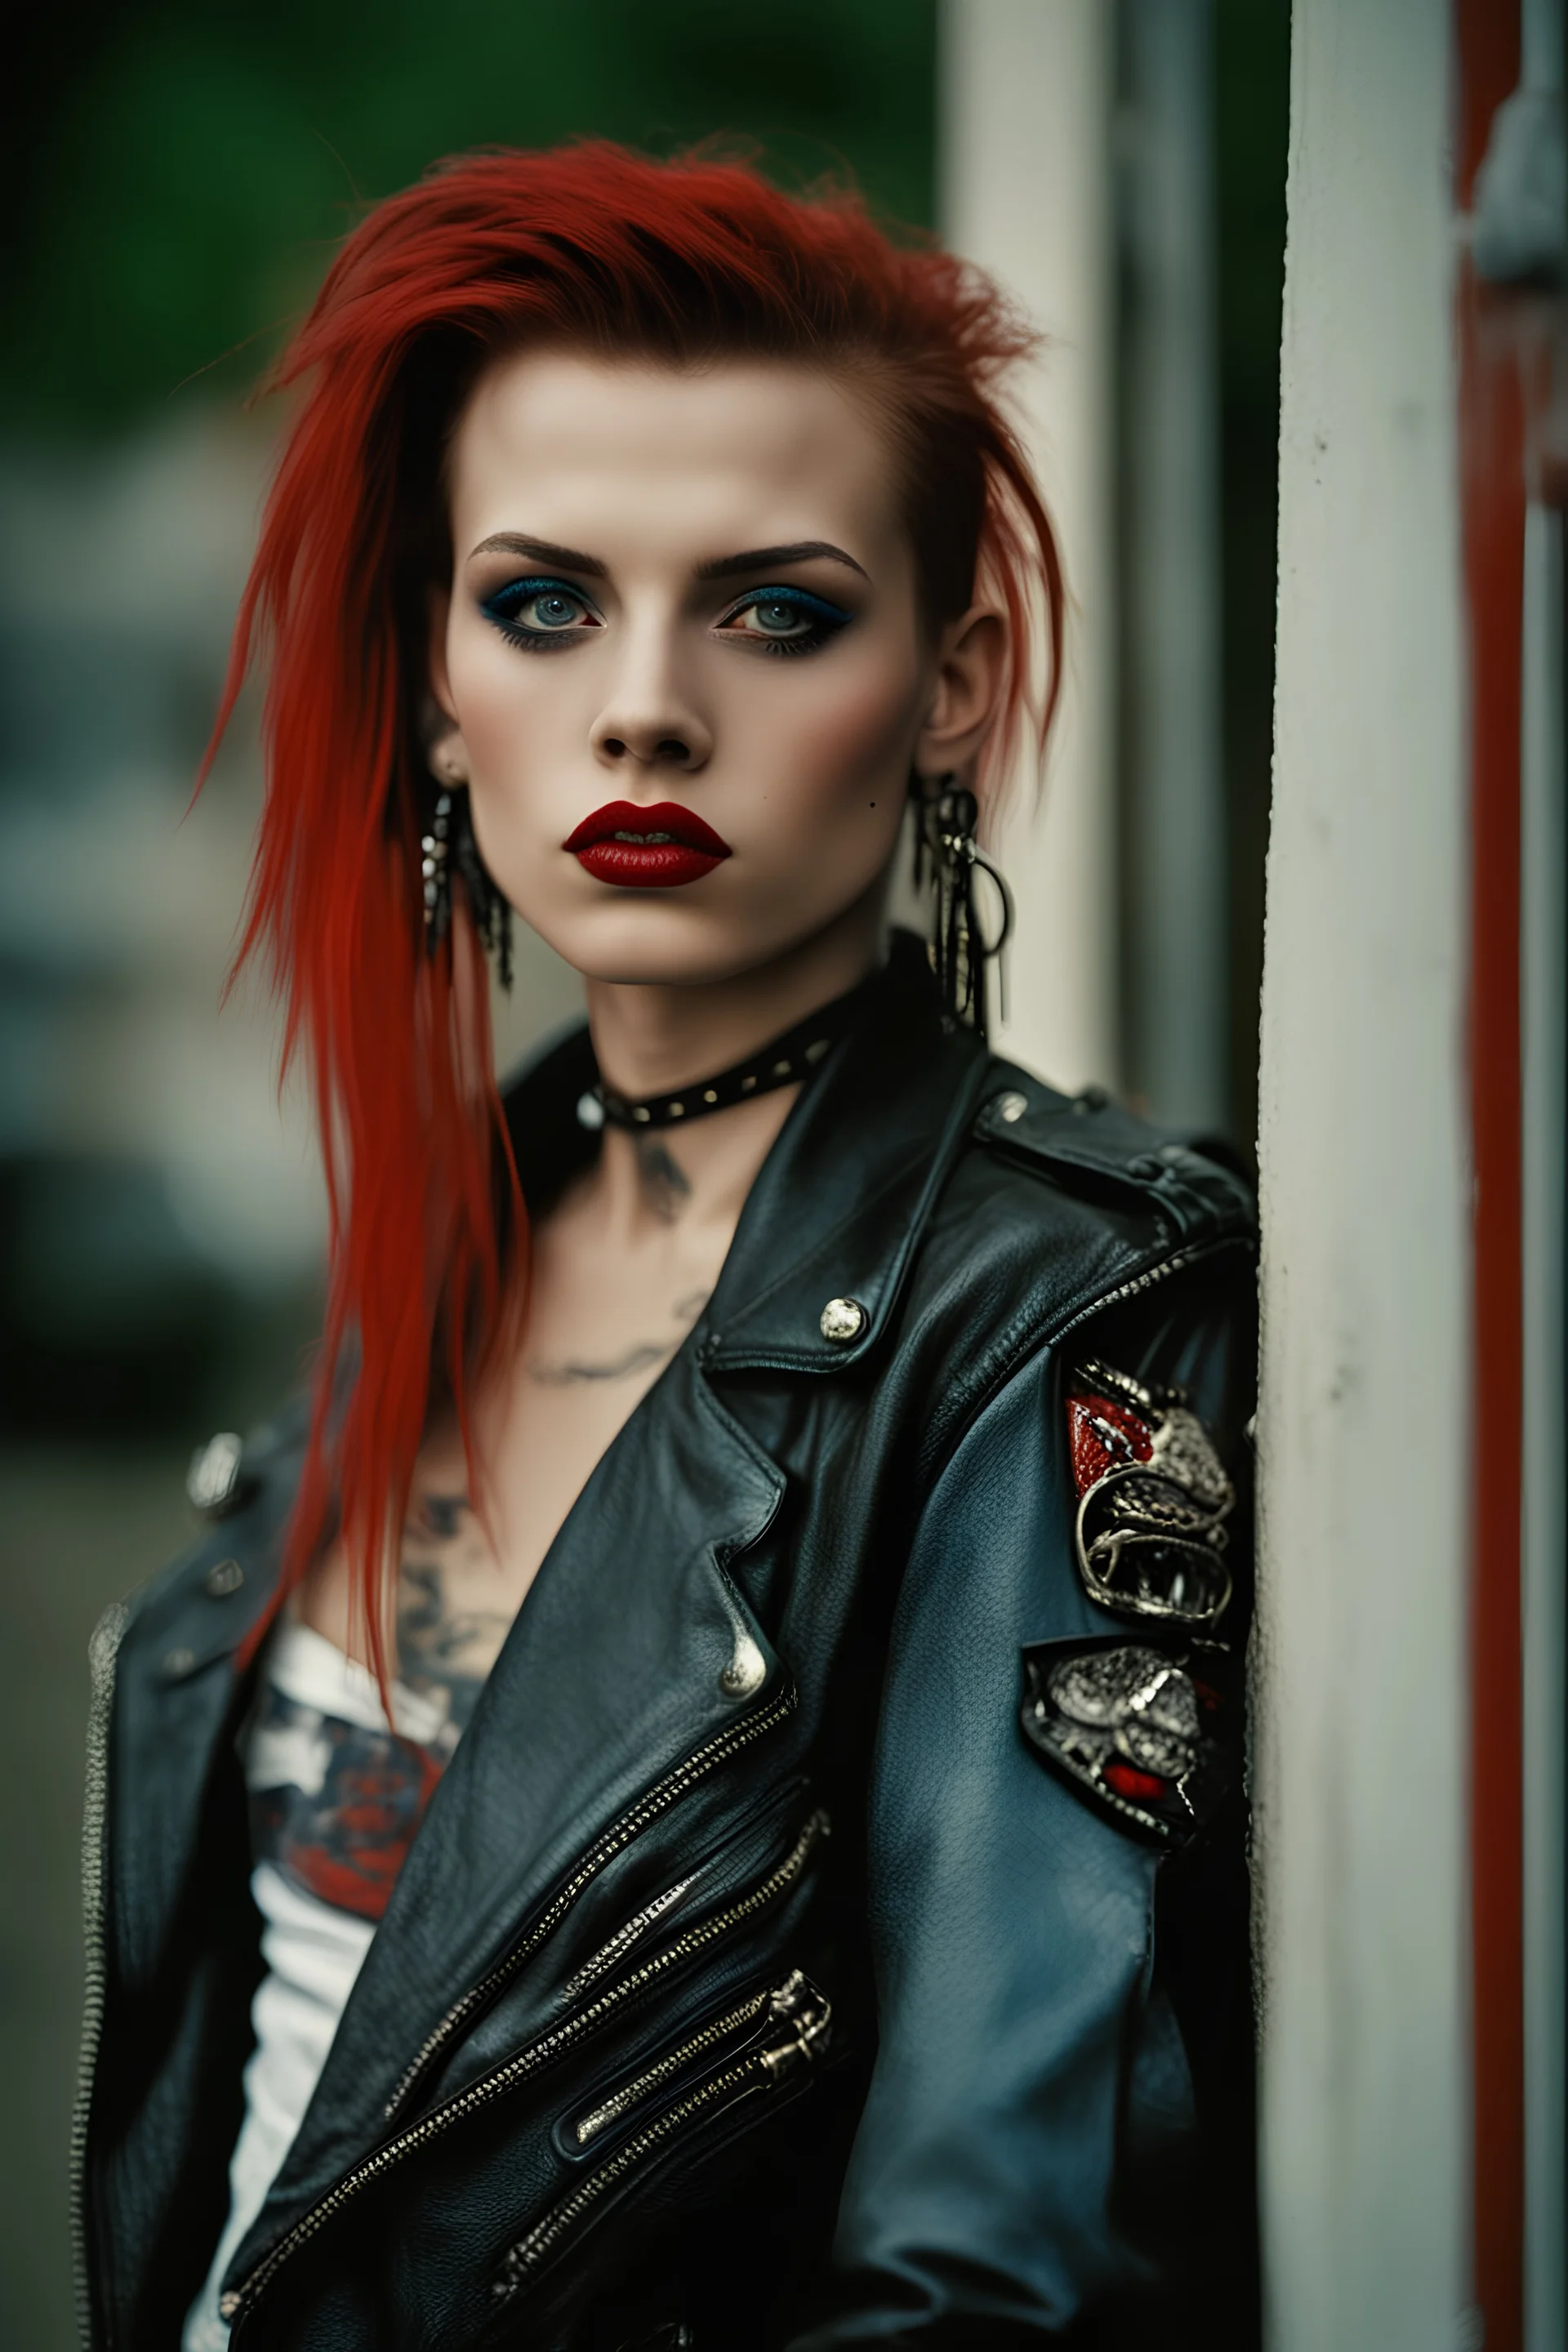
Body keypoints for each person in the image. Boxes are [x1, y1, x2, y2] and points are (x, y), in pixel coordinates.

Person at [73, 145, 1258, 2352]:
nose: (644, 706)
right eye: (542, 604)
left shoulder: (1052, 1321)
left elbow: (987, 2267)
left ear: (954, 687)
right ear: (433, 685)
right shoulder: (448, 1250)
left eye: (774, 609)